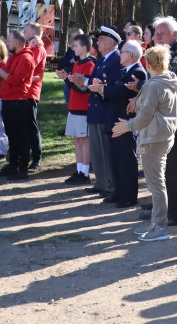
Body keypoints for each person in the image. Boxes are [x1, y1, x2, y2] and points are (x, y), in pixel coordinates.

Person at [113, 45, 177, 242]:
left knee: (156, 185)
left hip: (154, 137)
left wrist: (127, 126)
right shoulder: (166, 81)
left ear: (148, 63)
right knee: (157, 183)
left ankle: (160, 226)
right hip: (162, 136)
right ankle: (156, 223)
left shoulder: (153, 85)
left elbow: (144, 117)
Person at [136, 17, 177, 226]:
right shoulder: (168, 55)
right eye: (156, 34)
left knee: (172, 170)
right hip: (165, 120)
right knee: (160, 169)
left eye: (161, 34)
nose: (156, 38)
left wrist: (141, 87)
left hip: (175, 123)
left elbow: (167, 85)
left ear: (175, 34)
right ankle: (161, 209)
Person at [72, 26, 122, 196]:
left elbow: (109, 85)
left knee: (105, 150)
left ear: (111, 41)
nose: (97, 42)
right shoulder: (101, 59)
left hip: (105, 110)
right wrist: (83, 81)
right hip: (95, 110)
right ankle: (101, 182)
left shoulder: (116, 59)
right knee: (96, 150)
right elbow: (94, 81)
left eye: (100, 39)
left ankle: (109, 184)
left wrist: (86, 83)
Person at [100, 40, 147, 207]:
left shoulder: (138, 72)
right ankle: (118, 192)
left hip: (126, 121)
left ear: (131, 55)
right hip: (116, 119)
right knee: (116, 159)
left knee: (125, 159)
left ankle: (128, 196)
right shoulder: (125, 70)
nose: (120, 54)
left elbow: (124, 92)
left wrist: (103, 90)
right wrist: (104, 90)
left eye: (123, 51)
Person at [0, 30, 35, 181]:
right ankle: (13, 165)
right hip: (8, 100)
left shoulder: (26, 58)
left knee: (21, 136)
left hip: (18, 101)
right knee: (12, 136)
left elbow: (14, 80)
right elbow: (4, 78)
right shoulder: (14, 57)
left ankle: (22, 168)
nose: (7, 45)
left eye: (9, 42)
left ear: (17, 43)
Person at [61, 34, 96, 184]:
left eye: (75, 46)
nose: (72, 48)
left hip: (83, 108)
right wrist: (66, 79)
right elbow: (75, 87)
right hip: (73, 107)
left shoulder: (90, 64)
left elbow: (84, 88)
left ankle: (85, 172)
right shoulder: (76, 63)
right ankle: (79, 170)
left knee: (84, 139)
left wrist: (69, 80)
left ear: (84, 47)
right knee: (77, 139)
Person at [23, 22, 48, 173]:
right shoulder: (30, 48)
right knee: (24, 126)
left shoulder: (38, 49)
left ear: (33, 34)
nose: (23, 33)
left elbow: (30, 65)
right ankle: (25, 157)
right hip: (23, 92)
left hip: (31, 92)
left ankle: (37, 159)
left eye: (26, 31)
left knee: (31, 126)